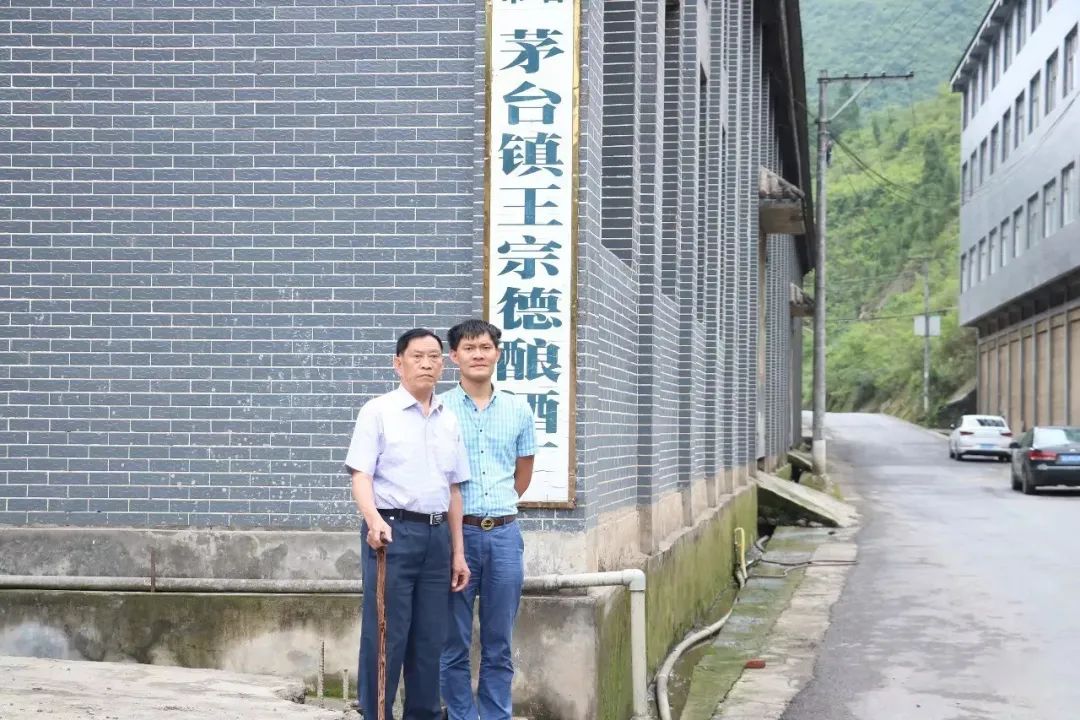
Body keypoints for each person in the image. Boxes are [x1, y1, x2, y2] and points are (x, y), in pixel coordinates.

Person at [345, 328, 472, 720]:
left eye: (434, 356)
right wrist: (373, 519)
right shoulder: (378, 411)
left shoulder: (449, 419)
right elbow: (361, 476)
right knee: (387, 635)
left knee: (430, 638)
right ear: (398, 363)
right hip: (392, 534)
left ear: (443, 365)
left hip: (437, 537)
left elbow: (453, 490)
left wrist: (458, 552)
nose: (427, 364)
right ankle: (376, 714)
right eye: (417, 356)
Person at [439, 319, 536, 720]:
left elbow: (523, 473)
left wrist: (497, 504)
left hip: (504, 537)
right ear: (454, 356)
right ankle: (462, 715)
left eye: (485, 347)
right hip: (453, 536)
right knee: (453, 642)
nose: (477, 354)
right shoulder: (439, 409)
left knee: (499, 643)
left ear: (497, 353)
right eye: (469, 348)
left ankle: (496, 715)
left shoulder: (518, 409)